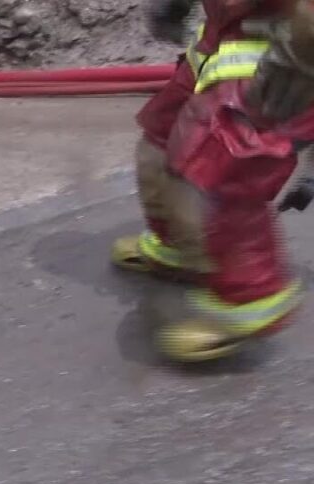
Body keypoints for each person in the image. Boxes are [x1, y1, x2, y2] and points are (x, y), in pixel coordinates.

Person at [111, 0, 313, 362]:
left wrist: (301, 60)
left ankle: (251, 299)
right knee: (160, 141)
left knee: (218, 181)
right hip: (220, 48)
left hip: (277, 68)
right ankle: (182, 247)